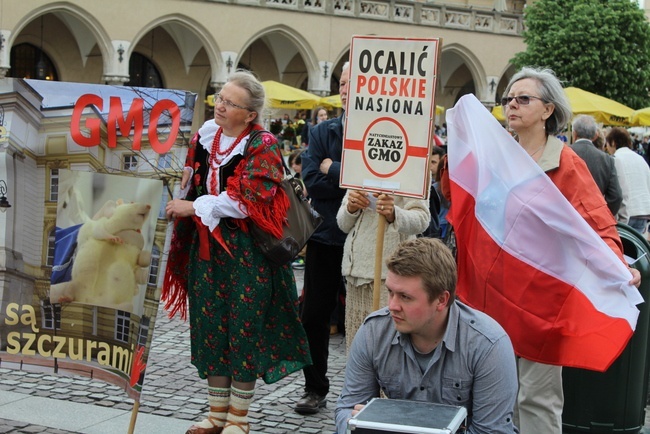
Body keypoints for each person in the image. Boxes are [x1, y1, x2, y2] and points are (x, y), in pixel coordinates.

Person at [163, 69, 311, 434]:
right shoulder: (206, 137)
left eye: (230, 103)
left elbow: (250, 201)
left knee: (244, 330)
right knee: (210, 326)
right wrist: (180, 180)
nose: (221, 105)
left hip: (248, 255)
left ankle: (238, 419)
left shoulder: (264, 144)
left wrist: (194, 207)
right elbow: (190, 176)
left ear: (250, 114)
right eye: (220, 98)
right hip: (207, 252)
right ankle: (216, 414)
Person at [497, 67, 641, 433]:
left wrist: (618, 266)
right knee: (501, 393)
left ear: (547, 110)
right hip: (499, 293)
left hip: (543, 299)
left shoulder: (566, 163)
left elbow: (598, 222)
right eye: (508, 99)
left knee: (537, 397)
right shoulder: (499, 157)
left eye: (523, 98)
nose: (512, 104)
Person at [335, 238, 518, 434]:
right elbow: (347, 408)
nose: (392, 306)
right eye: (390, 292)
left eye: (405, 297)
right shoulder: (374, 332)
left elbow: (491, 431)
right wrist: (354, 423)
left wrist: (386, 421)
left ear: (441, 300)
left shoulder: (488, 346)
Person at [294, 63, 349, 415]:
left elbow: (378, 180)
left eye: (353, 81)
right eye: (342, 82)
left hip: (369, 236)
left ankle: (372, 391)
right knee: (313, 314)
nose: (345, 87)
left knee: (369, 318)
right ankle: (315, 388)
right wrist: (340, 176)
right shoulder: (322, 131)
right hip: (326, 236)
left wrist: (335, 168)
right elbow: (311, 181)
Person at [337, 183, 430, 352]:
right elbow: (342, 224)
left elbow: (422, 219)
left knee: (389, 349)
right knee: (358, 348)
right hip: (356, 274)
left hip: (393, 276)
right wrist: (351, 208)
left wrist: (394, 213)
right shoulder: (361, 163)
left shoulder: (412, 163)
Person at [569, 114, 622, 216]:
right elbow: (616, 196)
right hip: (595, 219)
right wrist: (604, 216)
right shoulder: (607, 159)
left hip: (568, 218)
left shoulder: (562, 154)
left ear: (574, 134)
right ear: (595, 136)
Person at [606, 127, 650, 233]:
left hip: (626, 213)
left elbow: (615, 191)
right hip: (643, 211)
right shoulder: (640, 159)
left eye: (607, 144)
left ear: (613, 142)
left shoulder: (615, 159)